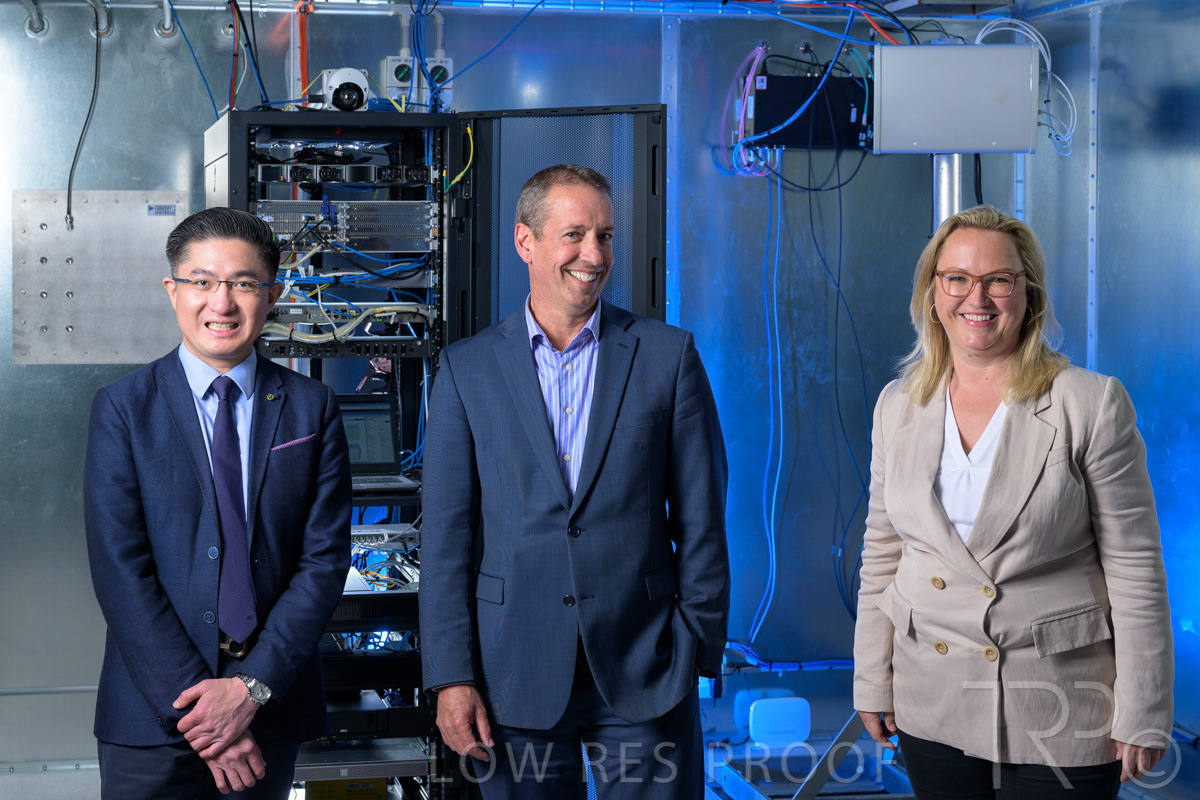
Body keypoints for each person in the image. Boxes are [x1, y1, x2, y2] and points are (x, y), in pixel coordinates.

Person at [419, 164, 729, 798]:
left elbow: (702, 514)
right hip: (511, 670)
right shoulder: (466, 369)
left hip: (647, 664)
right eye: (575, 235)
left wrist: (697, 643)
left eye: (606, 236)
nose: (595, 254)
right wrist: (451, 675)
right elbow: (446, 540)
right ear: (525, 241)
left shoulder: (667, 356)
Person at [853, 205, 1173, 799]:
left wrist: (1145, 708)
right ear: (933, 293)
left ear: (1030, 294)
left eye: (998, 279)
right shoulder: (897, 406)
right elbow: (882, 552)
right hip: (932, 698)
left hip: (1059, 705)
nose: (976, 298)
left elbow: (1135, 568)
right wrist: (872, 678)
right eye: (957, 278)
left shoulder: (1089, 403)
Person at [84, 207, 352, 799]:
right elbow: (120, 572)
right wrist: (208, 718)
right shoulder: (124, 409)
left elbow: (324, 562)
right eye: (202, 281)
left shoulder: (312, 408)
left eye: (243, 283)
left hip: (269, 711)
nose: (221, 303)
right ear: (172, 290)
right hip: (153, 717)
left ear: (272, 294)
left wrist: (249, 690)